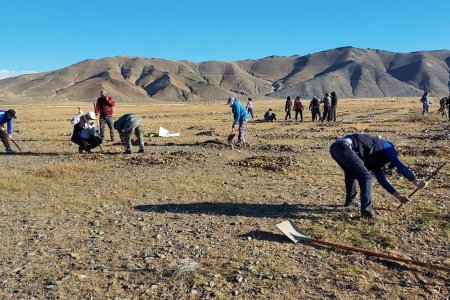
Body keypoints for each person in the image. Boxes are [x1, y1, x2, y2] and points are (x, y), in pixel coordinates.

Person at [330, 134, 427, 218]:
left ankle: (350, 200)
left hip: (335, 148)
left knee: (351, 173)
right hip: (344, 146)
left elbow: (382, 180)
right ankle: (367, 211)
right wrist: (416, 182)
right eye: (388, 163)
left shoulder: (375, 161)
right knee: (366, 177)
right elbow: (400, 166)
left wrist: (398, 196)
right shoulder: (387, 146)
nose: (386, 165)